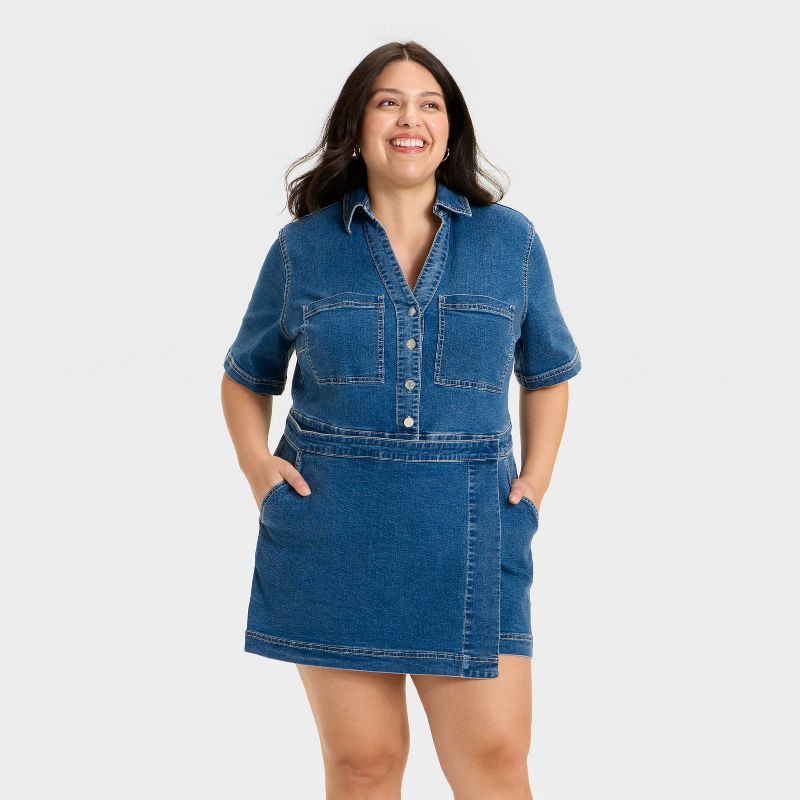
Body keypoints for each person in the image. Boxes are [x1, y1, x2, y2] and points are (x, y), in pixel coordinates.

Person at [221, 40, 582, 799]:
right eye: (389, 102)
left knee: (494, 760)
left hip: (472, 530)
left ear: (451, 128)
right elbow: (247, 376)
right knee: (365, 763)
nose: (409, 119)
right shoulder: (302, 249)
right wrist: (258, 468)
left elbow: (548, 373)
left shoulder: (510, 242)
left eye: (429, 104)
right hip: (333, 533)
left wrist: (536, 482)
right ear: (357, 125)